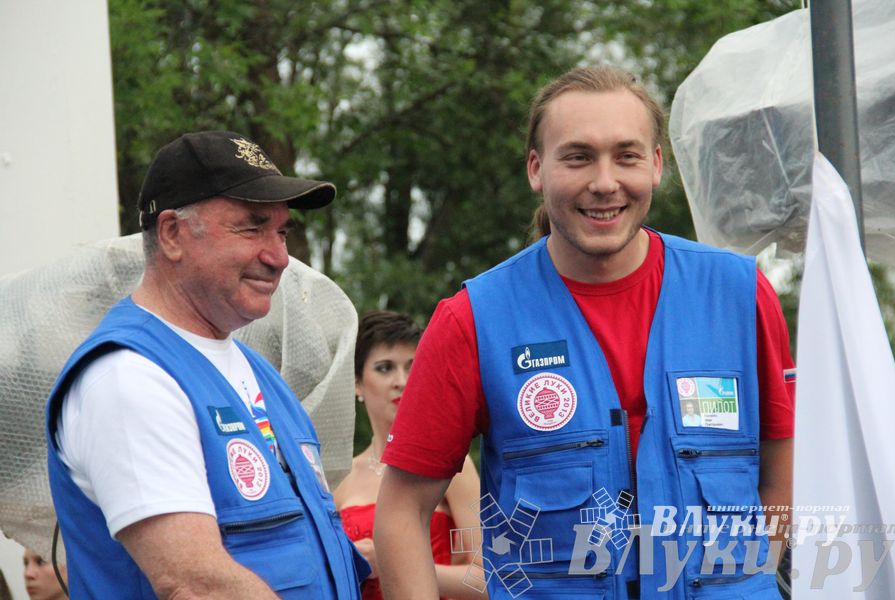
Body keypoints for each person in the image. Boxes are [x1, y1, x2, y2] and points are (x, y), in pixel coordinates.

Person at [375, 66, 794, 598]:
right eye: (578, 156)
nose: (604, 181)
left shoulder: (738, 294)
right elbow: (402, 511)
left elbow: (780, 470)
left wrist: (747, 582)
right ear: (536, 169)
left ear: (657, 164)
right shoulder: (474, 319)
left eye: (627, 155)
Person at [46, 131, 369, 598]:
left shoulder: (258, 374)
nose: (279, 257)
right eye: (252, 226)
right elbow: (195, 584)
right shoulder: (128, 378)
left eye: (281, 231)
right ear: (173, 234)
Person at [333, 311, 484, 600]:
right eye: (384, 368)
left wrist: (391, 564)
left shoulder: (454, 465)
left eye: (412, 366)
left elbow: (491, 577)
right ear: (356, 383)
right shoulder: (340, 477)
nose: (401, 381)